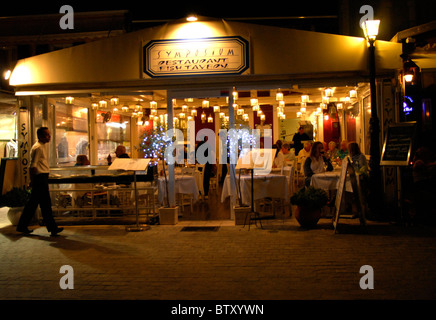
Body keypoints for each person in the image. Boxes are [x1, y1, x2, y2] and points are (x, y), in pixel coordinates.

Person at [16, 127, 63, 236]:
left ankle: (23, 226)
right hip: (40, 178)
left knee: (34, 204)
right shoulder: (38, 148)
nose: (49, 137)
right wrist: (32, 181)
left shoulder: (40, 147)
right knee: (45, 204)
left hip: (40, 178)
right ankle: (52, 228)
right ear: (41, 136)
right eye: (47, 135)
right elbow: (33, 166)